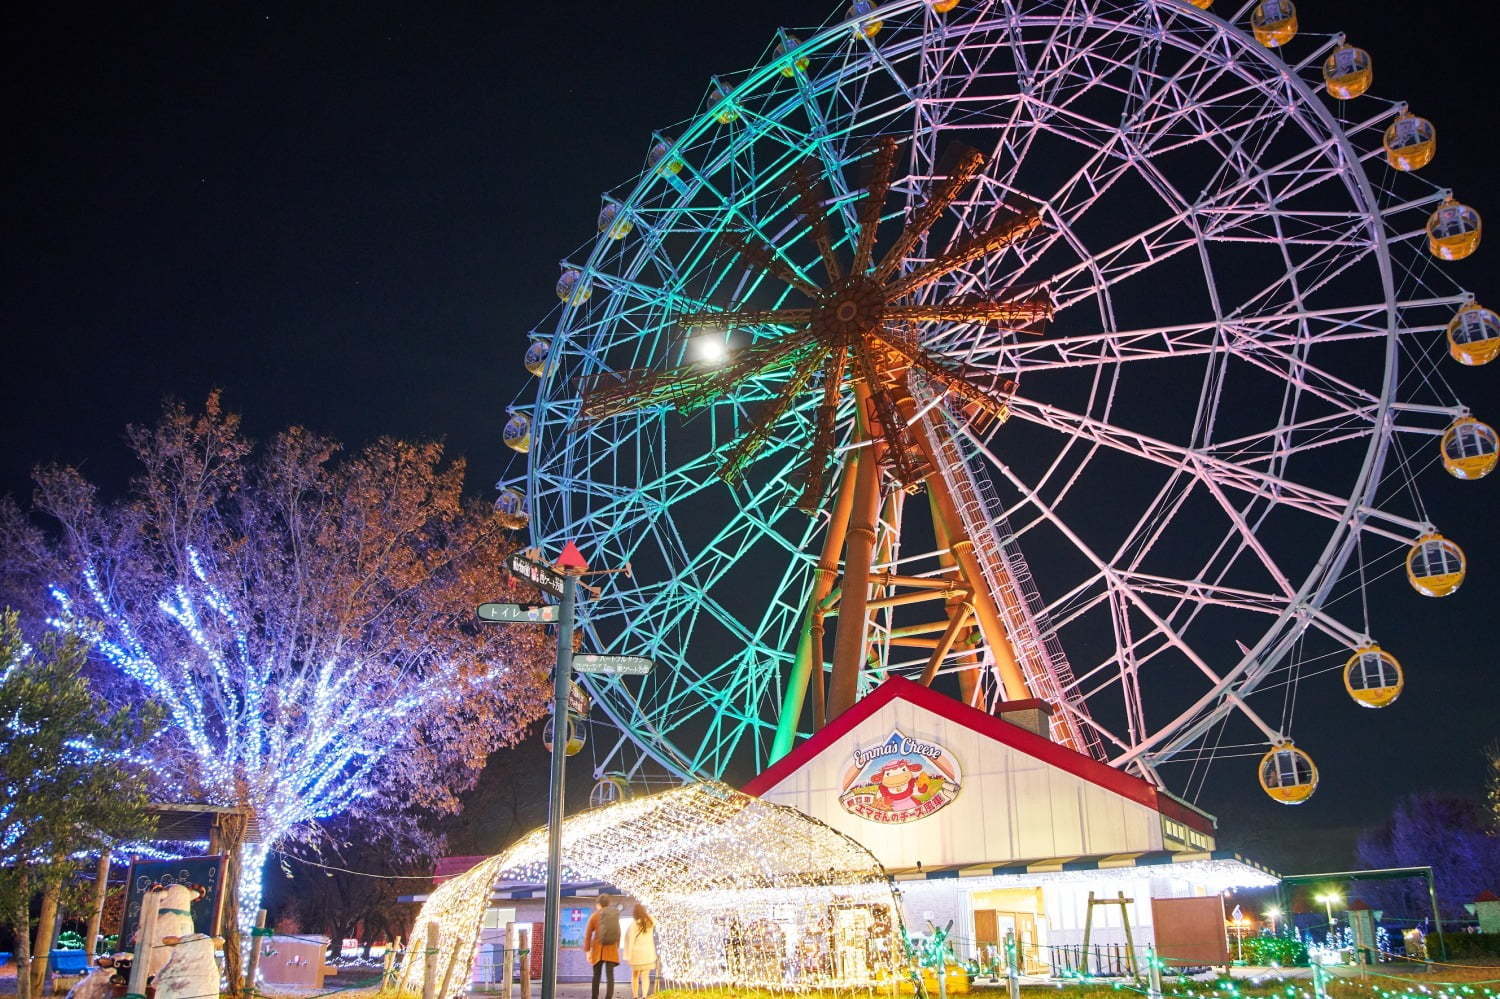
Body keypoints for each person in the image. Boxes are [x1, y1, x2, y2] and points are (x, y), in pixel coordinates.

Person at [583, 894, 621, 999]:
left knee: (596, 976)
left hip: (598, 950)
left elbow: (588, 935)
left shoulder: (595, 916)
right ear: (608, 904)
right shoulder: (614, 915)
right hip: (611, 949)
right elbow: (618, 932)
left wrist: (587, 951)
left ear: (598, 904)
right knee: (610, 976)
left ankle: (594, 997)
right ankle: (608, 997)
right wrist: (616, 947)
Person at [623, 904, 657, 999]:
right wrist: (646, 914)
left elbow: (630, 941)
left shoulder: (633, 925)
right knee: (645, 976)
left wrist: (628, 955)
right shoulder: (650, 922)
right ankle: (644, 996)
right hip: (648, 954)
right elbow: (654, 919)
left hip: (636, 955)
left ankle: (635, 996)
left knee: (635, 976)